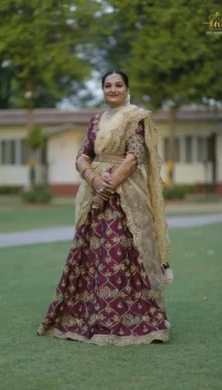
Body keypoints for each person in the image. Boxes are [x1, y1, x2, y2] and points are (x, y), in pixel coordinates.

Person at [37, 70, 173, 345]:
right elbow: (83, 155)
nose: (113, 90)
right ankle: (86, 316)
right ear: (102, 90)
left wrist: (107, 187)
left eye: (118, 85)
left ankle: (134, 319)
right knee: (89, 255)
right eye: (108, 85)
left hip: (125, 198)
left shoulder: (135, 117)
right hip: (94, 197)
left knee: (123, 253)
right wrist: (93, 179)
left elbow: (135, 157)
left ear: (127, 88)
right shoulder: (96, 120)